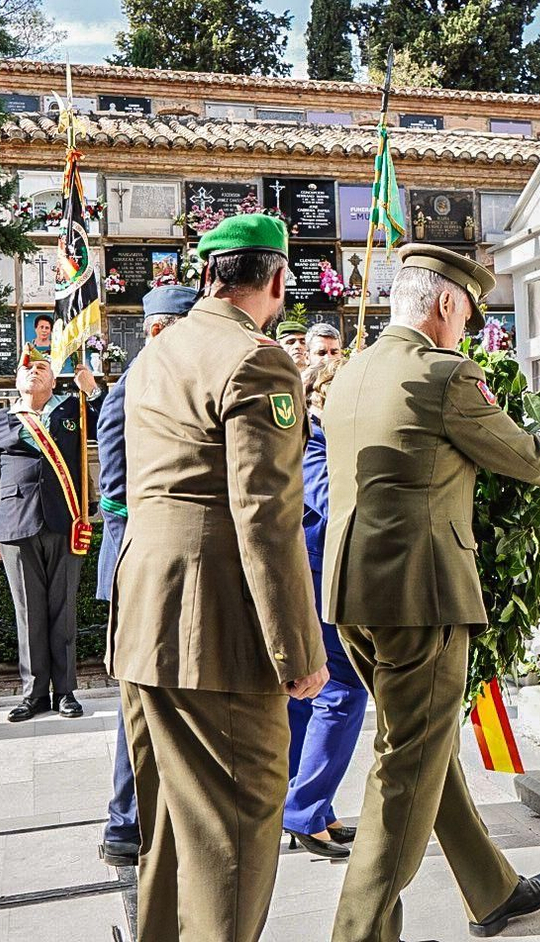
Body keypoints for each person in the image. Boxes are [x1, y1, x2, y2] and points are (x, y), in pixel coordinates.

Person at [322, 245, 540, 941]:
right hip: (420, 597)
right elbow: (518, 453)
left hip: (352, 597)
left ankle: (492, 888)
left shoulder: (350, 371)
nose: (465, 328)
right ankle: (358, 933)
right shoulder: (445, 374)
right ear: (447, 303)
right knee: (406, 766)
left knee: (421, 745)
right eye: (467, 313)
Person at [108, 212, 328, 942]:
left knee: (171, 833)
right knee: (234, 835)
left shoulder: (154, 357)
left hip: (144, 617)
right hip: (214, 629)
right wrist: (299, 652)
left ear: (208, 274)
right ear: (275, 278)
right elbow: (266, 518)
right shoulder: (257, 360)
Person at [96, 284, 198, 869]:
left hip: (166, 568)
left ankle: (155, 814)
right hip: (139, 568)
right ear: (159, 329)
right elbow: (116, 495)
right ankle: (125, 823)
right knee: (138, 704)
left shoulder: (167, 383)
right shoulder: (131, 388)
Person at [0, 350, 101, 723]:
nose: (33, 372)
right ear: (17, 379)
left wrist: (90, 391)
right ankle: (33, 695)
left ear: (54, 378)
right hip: (16, 528)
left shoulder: (71, 412)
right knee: (28, 615)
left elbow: (109, 424)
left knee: (63, 613)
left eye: (41, 367)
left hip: (64, 524)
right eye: (27, 368)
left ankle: (65, 693)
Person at [283, 355, 368, 861]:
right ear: (319, 399)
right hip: (318, 580)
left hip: (321, 578)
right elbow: (332, 498)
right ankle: (304, 808)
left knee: (308, 700)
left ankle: (312, 807)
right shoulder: (312, 441)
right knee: (342, 693)